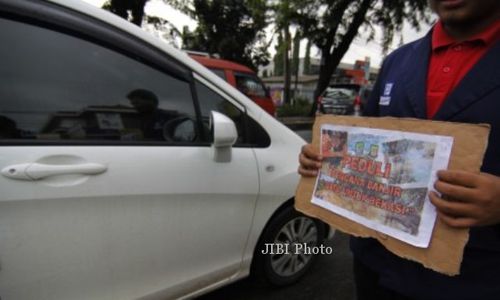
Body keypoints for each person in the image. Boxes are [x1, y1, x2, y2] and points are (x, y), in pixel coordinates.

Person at [299, 1, 500, 299]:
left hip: (475, 278)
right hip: (377, 266)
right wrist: (323, 160)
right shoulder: (397, 61)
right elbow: (364, 141)